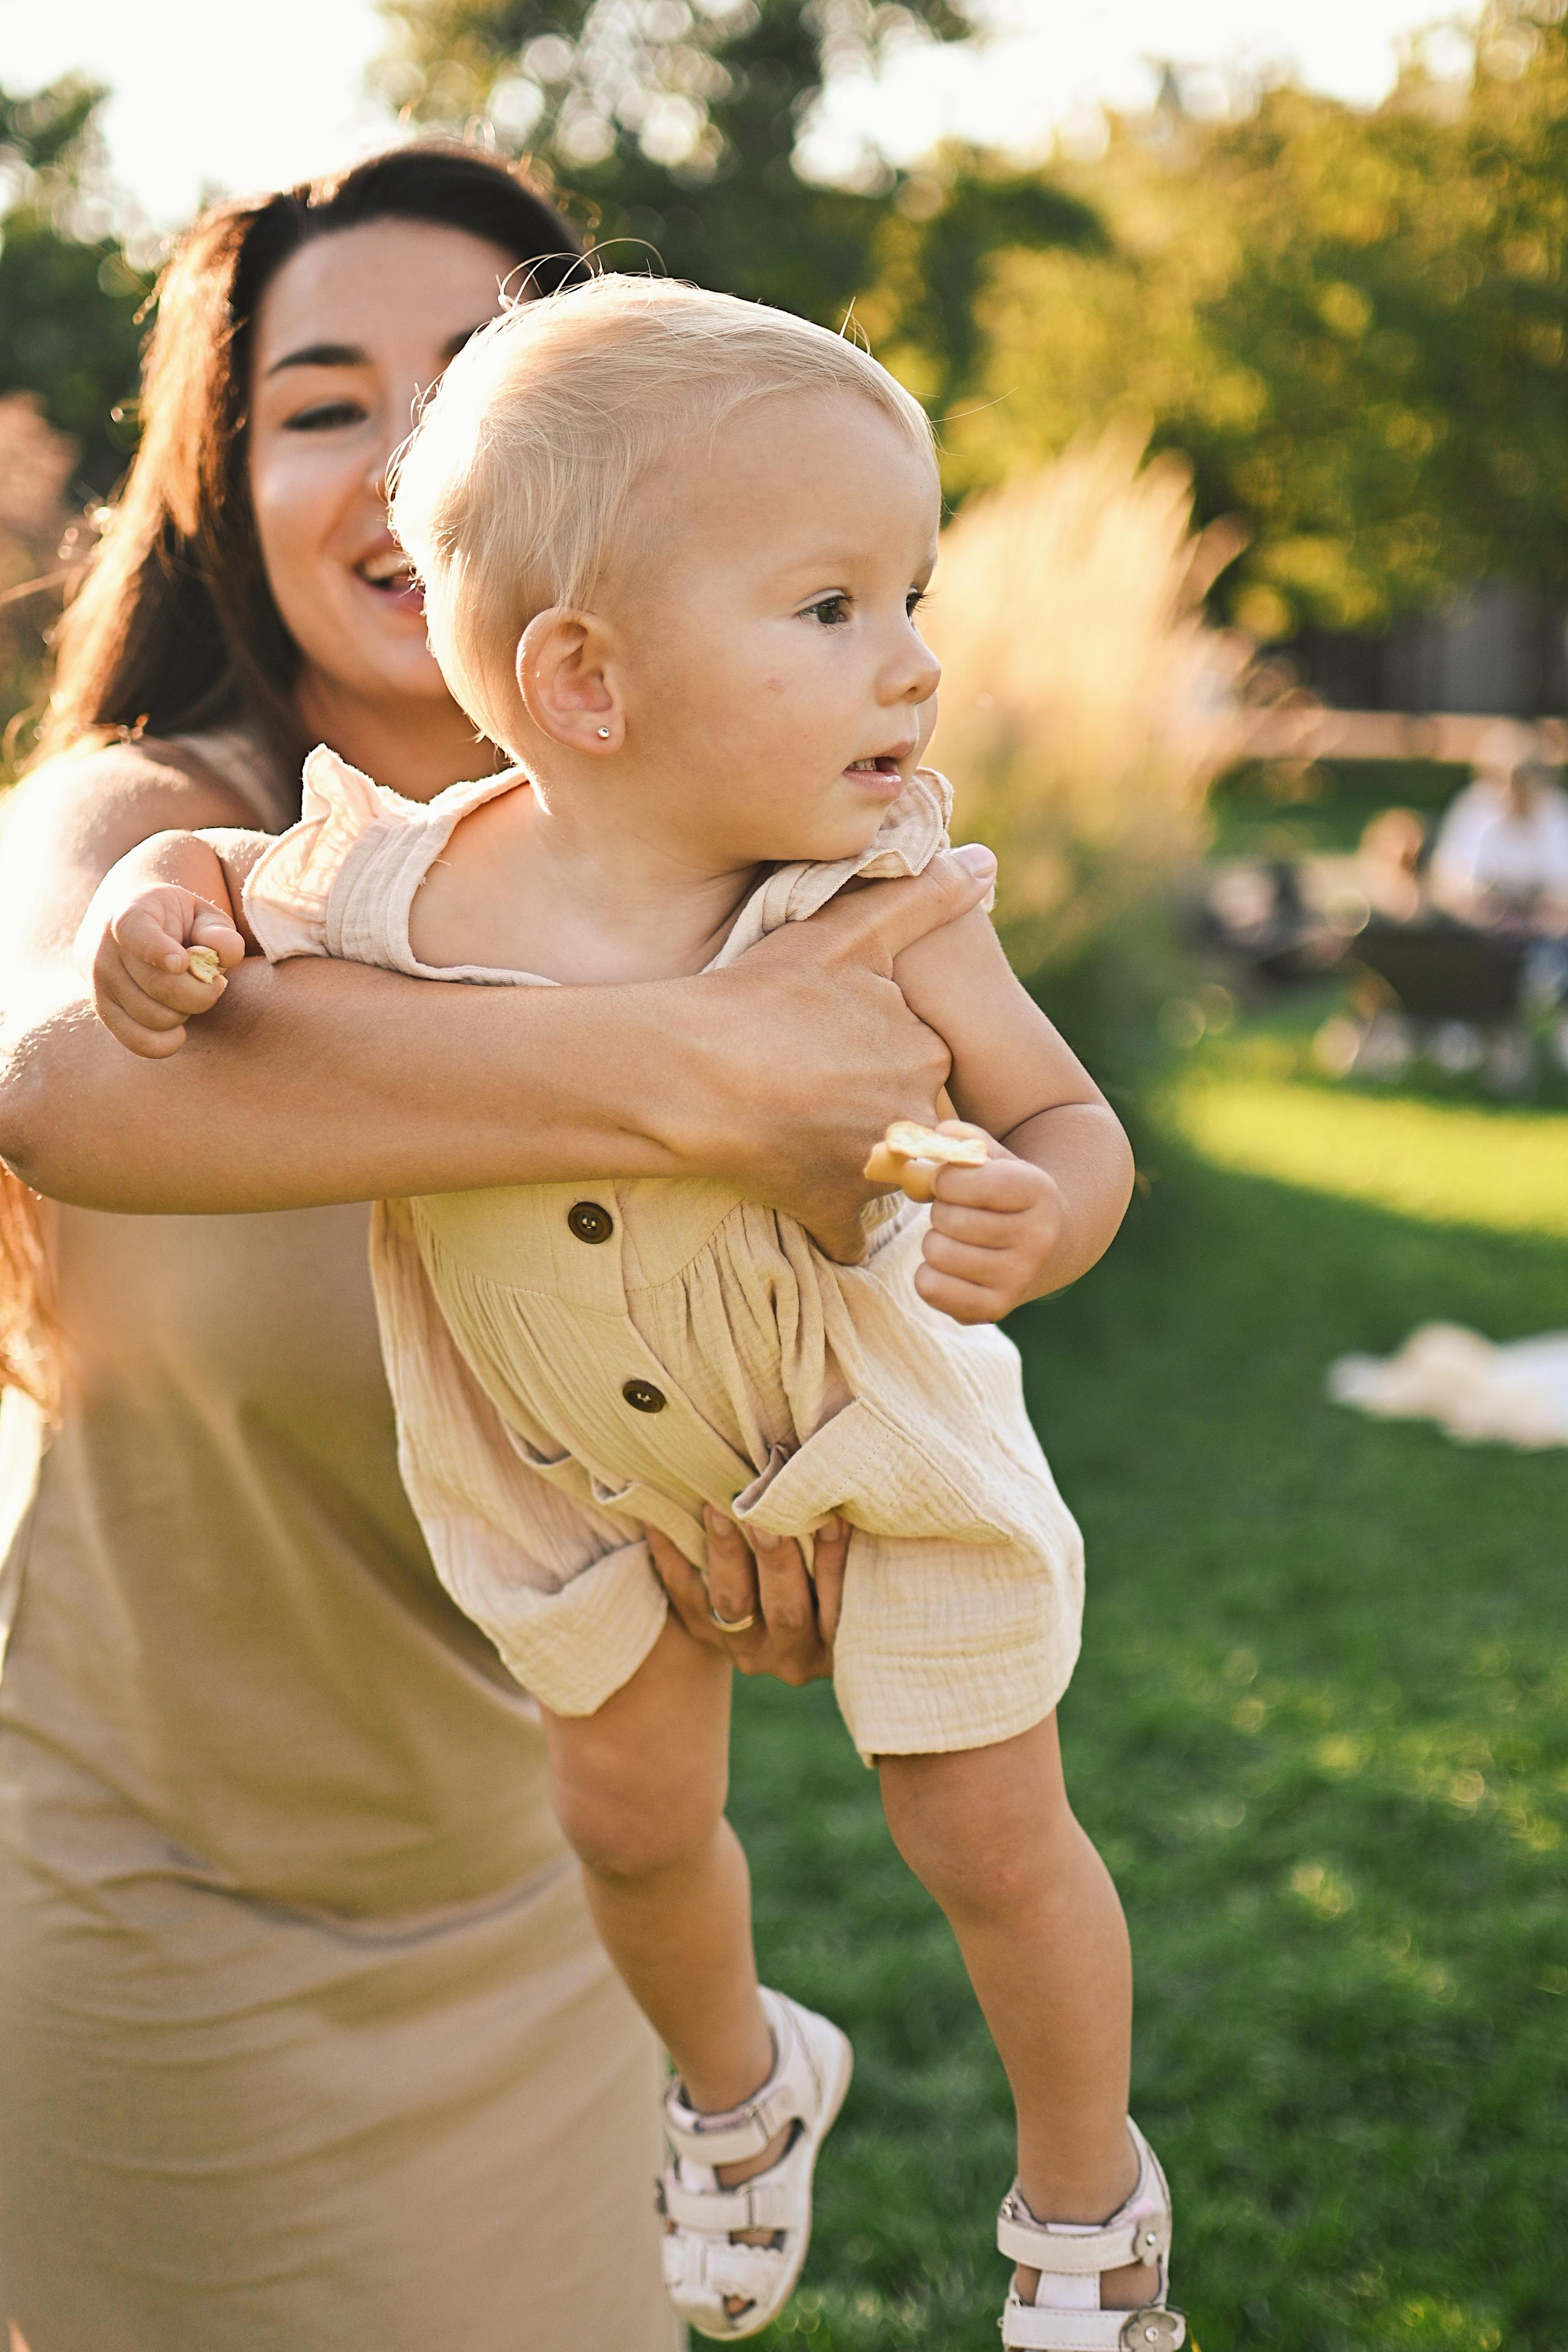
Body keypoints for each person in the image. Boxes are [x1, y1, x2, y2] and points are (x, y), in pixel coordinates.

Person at [83, 277, 1182, 2352]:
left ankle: (1084, 2201)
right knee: (624, 1816)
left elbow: (1063, 1112)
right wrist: (157, 915)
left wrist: (1052, 1207)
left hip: (871, 1452)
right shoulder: (401, 885)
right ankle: (740, 2089)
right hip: (573, 1472)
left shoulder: (879, 903)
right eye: (833, 605)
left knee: (987, 1831)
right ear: (586, 678)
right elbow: (218, 888)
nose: (919, 661)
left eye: (913, 592)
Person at [1429, 723, 1568, 932]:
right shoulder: (1473, 808)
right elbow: (1448, 881)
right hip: (1481, 931)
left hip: (1547, 934)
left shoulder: (1557, 814)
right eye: (1499, 777)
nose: (1510, 788)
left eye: (1521, 777)